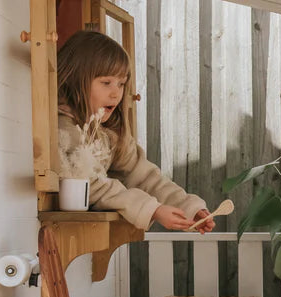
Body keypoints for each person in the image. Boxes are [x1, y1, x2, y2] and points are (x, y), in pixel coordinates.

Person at [57, 30, 215, 232]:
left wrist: (188, 208)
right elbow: (92, 186)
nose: (116, 93)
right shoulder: (65, 131)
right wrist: (153, 209)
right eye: (106, 83)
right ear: (76, 79)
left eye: (121, 84)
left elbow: (143, 176)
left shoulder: (110, 135)